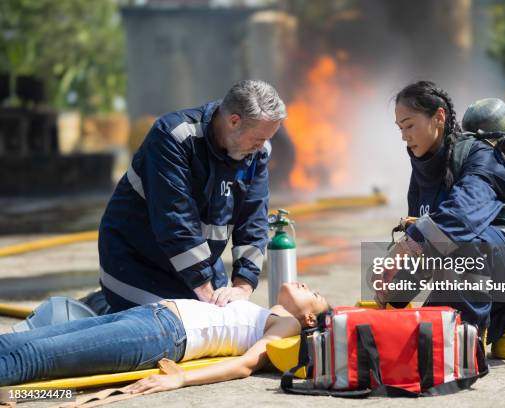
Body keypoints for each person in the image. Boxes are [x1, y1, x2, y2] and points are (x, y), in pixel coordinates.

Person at [386, 80, 505, 353]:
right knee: (421, 248)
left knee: (461, 240)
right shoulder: (422, 172)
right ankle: (497, 317)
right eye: (400, 128)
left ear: (439, 117)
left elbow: (463, 216)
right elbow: (422, 244)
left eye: (409, 125)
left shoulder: (480, 155)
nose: (405, 136)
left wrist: (413, 241)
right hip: (486, 267)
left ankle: (498, 322)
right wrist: (393, 294)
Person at [95, 80, 286, 314]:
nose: (262, 146)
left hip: (195, 269)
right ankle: (96, 306)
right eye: (258, 139)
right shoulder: (174, 136)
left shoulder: (257, 152)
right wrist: (207, 297)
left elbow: (253, 220)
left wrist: (242, 287)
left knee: (213, 320)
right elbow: (176, 222)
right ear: (234, 121)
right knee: (163, 332)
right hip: (136, 265)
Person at [0, 282, 329, 389]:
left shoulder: (289, 325)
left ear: (310, 316)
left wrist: (180, 379)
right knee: (14, 344)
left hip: (160, 335)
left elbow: (245, 365)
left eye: (312, 292)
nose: (304, 285)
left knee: (31, 357)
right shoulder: (268, 313)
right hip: (151, 316)